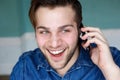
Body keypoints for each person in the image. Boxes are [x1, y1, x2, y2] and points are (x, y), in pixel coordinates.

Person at [10, 0, 120, 80]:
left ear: (80, 29)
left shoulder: (112, 60)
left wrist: (109, 70)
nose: (54, 43)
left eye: (65, 30)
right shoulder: (25, 67)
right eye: (44, 32)